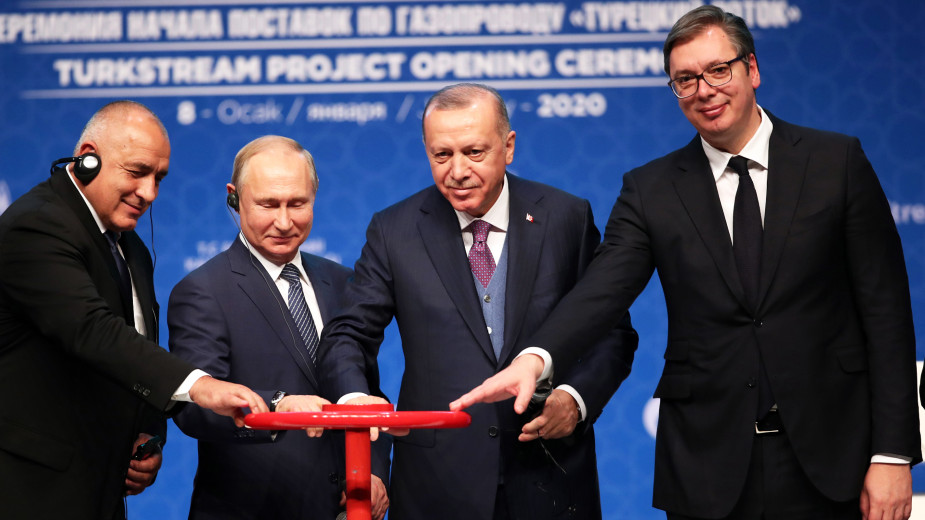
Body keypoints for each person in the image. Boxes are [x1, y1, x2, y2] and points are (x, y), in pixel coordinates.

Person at [452, 6, 922, 520]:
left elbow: (887, 316)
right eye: (685, 80)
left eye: (718, 70)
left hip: (833, 457)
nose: (704, 90)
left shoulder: (836, 163)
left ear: (751, 69)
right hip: (708, 466)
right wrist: (535, 358)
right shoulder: (650, 189)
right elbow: (601, 291)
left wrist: (893, 454)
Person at [318, 83, 638, 520]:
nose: (458, 171)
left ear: (508, 147)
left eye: (474, 152)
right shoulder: (394, 230)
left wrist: (574, 399)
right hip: (438, 483)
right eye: (442, 155)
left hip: (549, 474)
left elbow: (612, 331)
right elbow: (347, 335)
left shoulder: (566, 217)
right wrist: (355, 400)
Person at [0, 100, 268, 520]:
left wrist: (149, 431)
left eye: (158, 177)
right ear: (88, 158)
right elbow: (93, 330)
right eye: (137, 171)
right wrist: (199, 385)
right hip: (31, 492)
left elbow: (138, 342)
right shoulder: (35, 226)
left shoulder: (130, 245)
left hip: (100, 489)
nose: (149, 193)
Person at [167, 135, 391, 519]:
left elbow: (365, 393)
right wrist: (276, 405)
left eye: (297, 203)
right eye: (268, 204)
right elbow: (195, 409)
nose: (284, 222)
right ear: (234, 199)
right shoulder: (202, 291)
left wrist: (373, 472)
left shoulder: (343, 282)